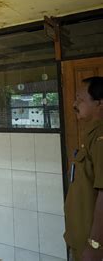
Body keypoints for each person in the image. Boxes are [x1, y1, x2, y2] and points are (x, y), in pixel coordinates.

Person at [64, 76, 103, 261]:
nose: (74, 104)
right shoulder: (90, 135)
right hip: (81, 240)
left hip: (92, 247)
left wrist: (95, 244)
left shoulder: (100, 138)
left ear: (99, 103)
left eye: (80, 99)